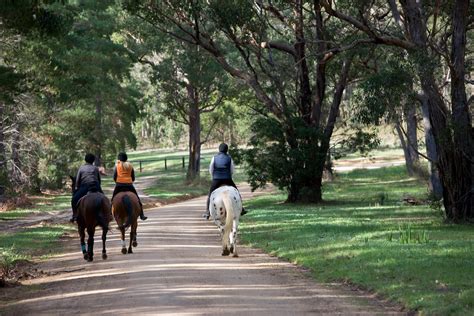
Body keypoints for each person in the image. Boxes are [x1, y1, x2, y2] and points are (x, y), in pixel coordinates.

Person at [203, 143, 247, 219]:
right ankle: (242, 208)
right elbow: (232, 170)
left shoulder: (214, 158)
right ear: (227, 150)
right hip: (227, 179)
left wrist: (214, 176)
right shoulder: (229, 158)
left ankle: (207, 211)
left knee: (210, 194)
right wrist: (228, 176)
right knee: (236, 192)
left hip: (216, 179)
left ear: (219, 149)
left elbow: (211, 169)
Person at [111, 152, 147, 221]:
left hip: (119, 185)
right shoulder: (130, 166)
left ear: (119, 159)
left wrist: (118, 182)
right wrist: (129, 181)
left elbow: (114, 177)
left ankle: (110, 215)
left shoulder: (117, 166)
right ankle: (142, 215)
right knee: (138, 199)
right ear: (126, 158)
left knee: (112, 200)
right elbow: (133, 177)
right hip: (129, 185)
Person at [70, 153, 103, 222]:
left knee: (74, 199)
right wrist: (98, 187)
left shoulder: (81, 168)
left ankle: (75, 215)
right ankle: (108, 214)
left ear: (85, 160)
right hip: (95, 186)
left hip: (85, 186)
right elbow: (99, 180)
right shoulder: (95, 168)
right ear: (93, 161)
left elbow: (78, 180)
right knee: (104, 199)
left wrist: (78, 187)